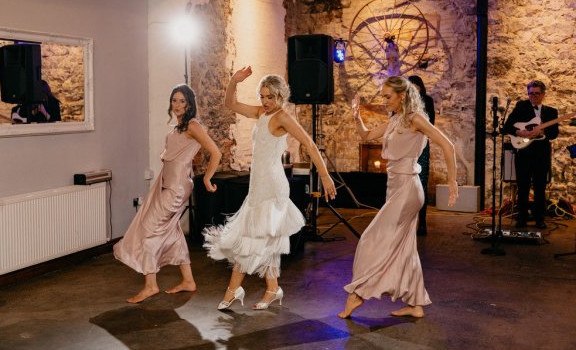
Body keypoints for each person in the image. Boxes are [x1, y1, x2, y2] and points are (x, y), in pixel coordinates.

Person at [203, 66, 337, 311]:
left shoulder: (283, 117)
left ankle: (234, 289)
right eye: (262, 96)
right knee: (264, 240)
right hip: (257, 186)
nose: (265, 101)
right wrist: (233, 80)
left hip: (273, 187)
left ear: (280, 97)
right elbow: (230, 104)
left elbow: (309, 144)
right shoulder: (260, 114)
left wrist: (325, 177)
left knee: (254, 239)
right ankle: (273, 289)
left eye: (270, 97)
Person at [338, 76, 457, 319]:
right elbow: (366, 136)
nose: (384, 101)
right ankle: (415, 304)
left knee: (371, 238)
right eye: (383, 96)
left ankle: (358, 293)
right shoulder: (395, 120)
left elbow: (448, 146)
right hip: (396, 188)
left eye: (387, 96)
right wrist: (356, 116)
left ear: (402, 96)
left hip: (407, 189)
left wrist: (453, 181)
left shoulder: (415, 119)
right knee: (405, 249)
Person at [114, 84, 221, 303]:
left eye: (182, 101)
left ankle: (151, 285)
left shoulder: (192, 125)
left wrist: (208, 178)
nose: (178, 104)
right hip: (168, 184)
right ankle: (188, 280)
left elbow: (215, 152)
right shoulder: (178, 127)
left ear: (190, 104)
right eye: (174, 100)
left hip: (176, 187)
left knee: (147, 230)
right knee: (172, 231)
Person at [503, 80, 558, 229]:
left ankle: (540, 219)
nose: (533, 96)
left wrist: (543, 131)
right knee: (523, 187)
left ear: (543, 94)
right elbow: (506, 126)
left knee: (540, 187)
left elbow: (554, 134)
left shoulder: (552, 112)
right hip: (524, 153)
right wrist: (519, 132)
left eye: (536, 93)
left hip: (541, 154)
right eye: (530, 93)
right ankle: (521, 218)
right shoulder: (521, 107)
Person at [408, 75, 435, 236]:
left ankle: (422, 222)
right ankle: (407, 222)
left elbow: (431, 124)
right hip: (407, 147)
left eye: (416, 86)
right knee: (407, 184)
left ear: (420, 87)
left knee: (422, 183)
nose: (414, 89)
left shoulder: (428, 101)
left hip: (421, 146)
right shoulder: (403, 102)